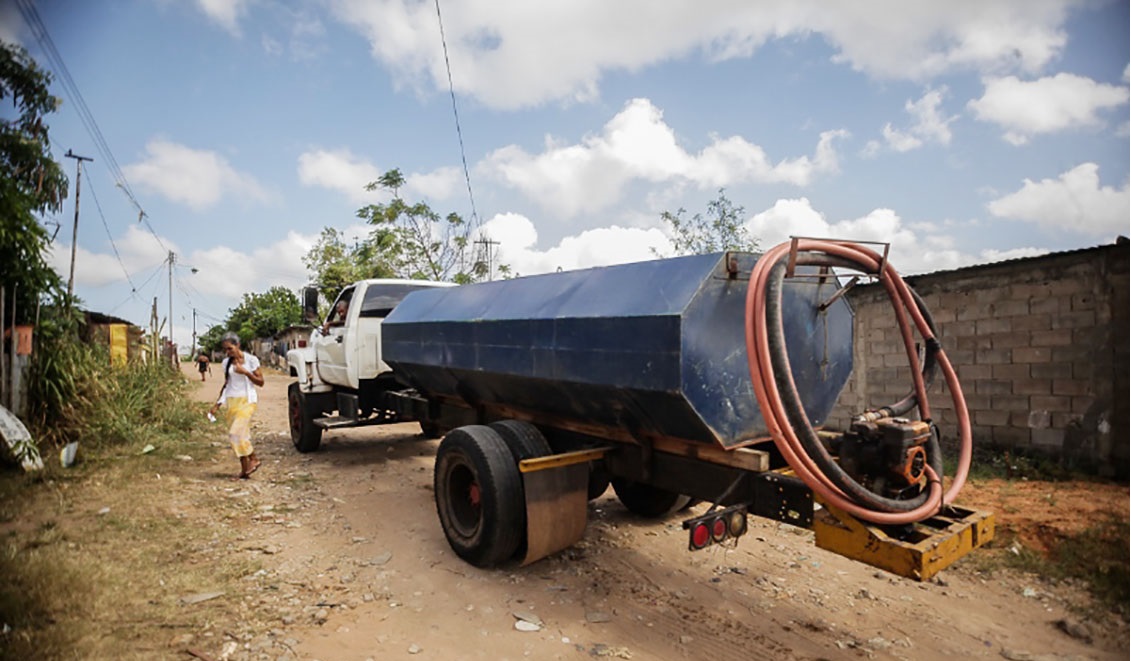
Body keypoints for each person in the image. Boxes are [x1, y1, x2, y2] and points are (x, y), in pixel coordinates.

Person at [208, 333, 264, 479]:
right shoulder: (226, 363)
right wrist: (217, 404)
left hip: (247, 401)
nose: (228, 352)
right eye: (226, 350)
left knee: (235, 432)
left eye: (230, 348)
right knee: (240, 436)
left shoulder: (251, 360)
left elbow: (260, 382)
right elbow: (227, 384)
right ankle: (244, 471)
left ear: (238, 345)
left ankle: (254, 459)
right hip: (232, 401)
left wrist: (245, 372)